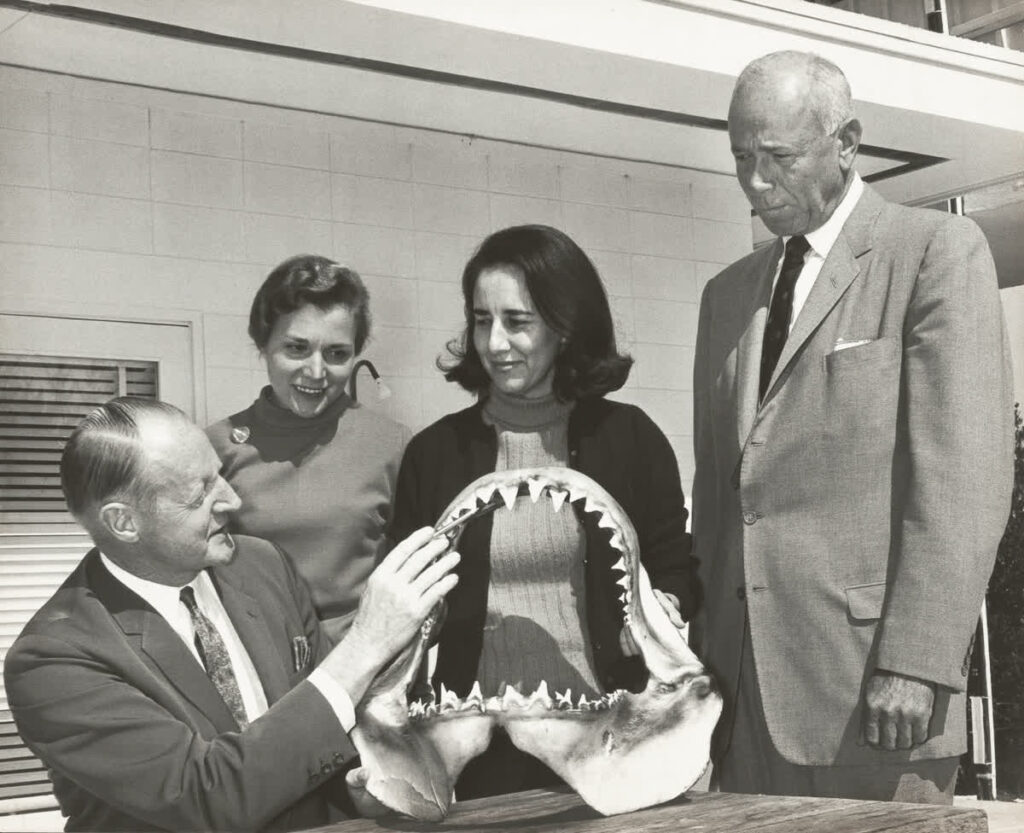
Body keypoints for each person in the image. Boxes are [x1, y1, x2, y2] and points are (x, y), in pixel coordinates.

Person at [691, 50, 1014, 804]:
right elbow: (719, 499)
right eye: (741, 157)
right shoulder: (725, 296)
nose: (755, 181)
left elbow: (962, 485)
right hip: (741, 709)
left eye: (778, 157)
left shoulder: (934, 252)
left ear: (846, 142)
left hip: (877, 703)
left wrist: (918, 660)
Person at [4, 397, 458, 832]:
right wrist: (366, 645)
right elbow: (211, 797)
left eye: (218, 475)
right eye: (199, 493)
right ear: (124, 522)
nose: (231, 501)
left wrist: (360, 788)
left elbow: (325, 726)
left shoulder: (261, 566)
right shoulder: (53, 660)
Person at [391, 223, 699, 799]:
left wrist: (661, 608)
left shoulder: (629, 438)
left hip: (611, 738)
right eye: (482, 320)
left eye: (518, 321)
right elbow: (403, 594)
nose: (496, 342)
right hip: (479, 750)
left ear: (564, 326)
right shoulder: (435, 454)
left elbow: (676, 566)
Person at [207, 255, 410, 643]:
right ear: (262, 344)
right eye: (297, 348)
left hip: (367, 664)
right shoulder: (215, 448)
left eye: (337, 354)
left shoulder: (393, 446)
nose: (316, 373)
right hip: (259, 665)